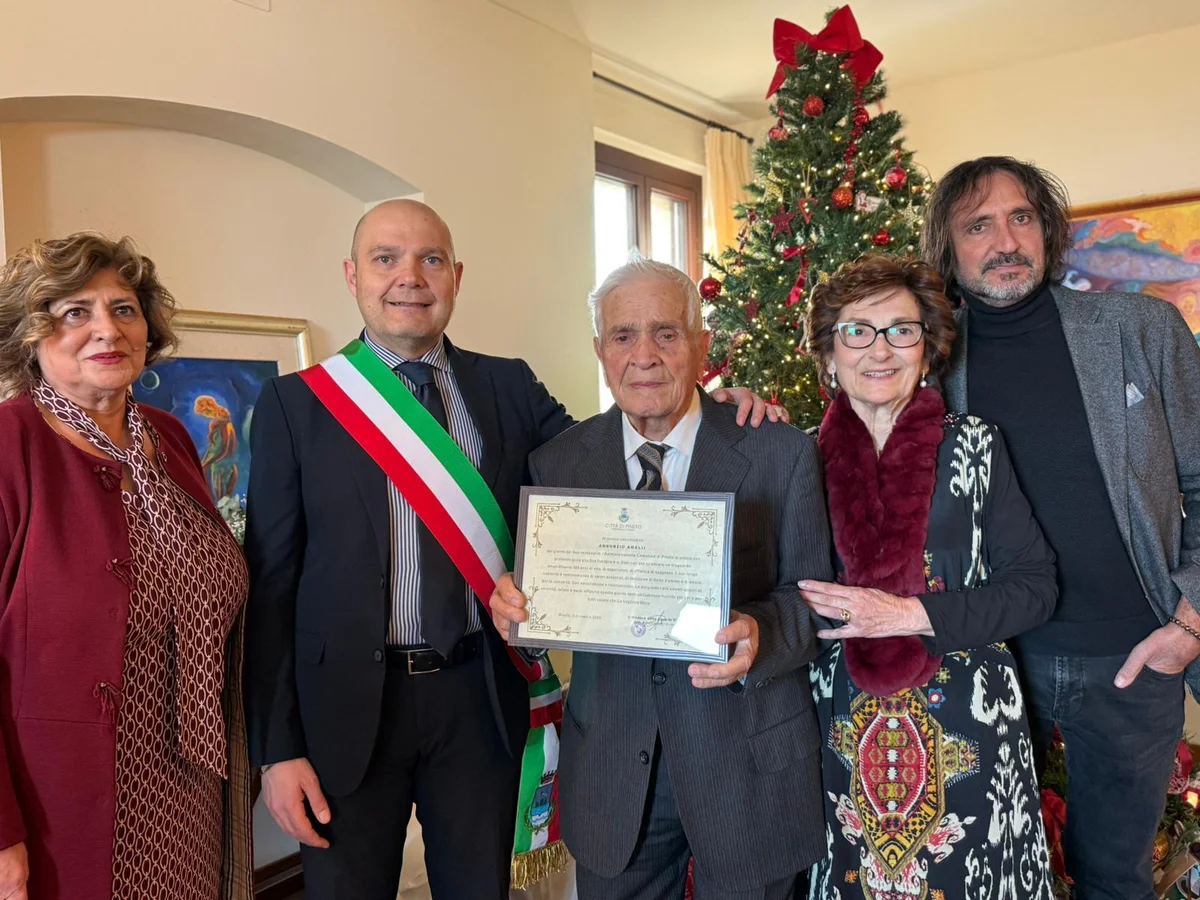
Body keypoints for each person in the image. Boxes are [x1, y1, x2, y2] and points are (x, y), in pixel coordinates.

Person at [243, 199, 782, 899]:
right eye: (385, 259)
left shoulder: (507, 385)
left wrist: (706, 410)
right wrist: (277, 750)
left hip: (478, 699)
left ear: (456, 276)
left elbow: (607, 462)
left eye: (431, 259)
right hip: (343, 708)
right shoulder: (296, 404)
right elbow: (271, 586)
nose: (410, 277)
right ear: (353, 276)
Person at [488, 256, 831, 900]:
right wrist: (517, 614)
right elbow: (543, 612)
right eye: (623, 335)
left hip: (747, 767)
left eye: (666, 333)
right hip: (613, 773)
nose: (643, 356)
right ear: (600, 350)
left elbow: (814, 600)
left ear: (701, 344)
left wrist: (760, 632)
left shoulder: (780, 450)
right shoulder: (559, 463)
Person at [922, 156, 1200, 900]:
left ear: (1045, 230)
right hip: (992, 661)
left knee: (1115, 878)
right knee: (986, 873)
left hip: (1134, 661)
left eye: (1021, 218)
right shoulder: (929, 363)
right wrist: (746, 407)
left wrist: (1189, 624)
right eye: (978, 225)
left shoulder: (1140, 329)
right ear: (949, 248)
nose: (1005, 241)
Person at [0, 233, 253, 900]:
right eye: (74, 312)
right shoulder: (9, 445)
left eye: (123, 309)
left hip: (191, 786)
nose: (107, 330)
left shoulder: (167, 437)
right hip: (60, 803)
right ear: (31, 333)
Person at [798, 255, 1056, 899]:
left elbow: (1035, 587)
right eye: (857, 331)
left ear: (928, 348)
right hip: (838, 727)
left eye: (901, 330)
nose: (880, 349)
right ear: (828, 353)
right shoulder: (795, 457)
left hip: (969, 722)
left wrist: (909, 615)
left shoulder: (975, 445)